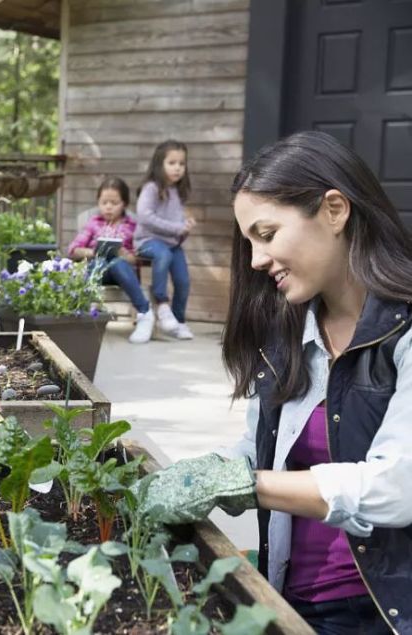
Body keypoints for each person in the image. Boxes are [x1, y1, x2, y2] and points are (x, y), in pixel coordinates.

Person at [139, 131, 412, 634]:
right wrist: (210, 471)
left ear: (334, 210)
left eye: (266, 233)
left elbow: (397, 487)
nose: (256, 260)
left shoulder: (405, 334)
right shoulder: (288, 329)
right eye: (249, 242)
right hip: (284, 598)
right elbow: (262, 448)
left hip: (379, 614)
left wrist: (245, 484)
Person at [67, 176, 153, 343]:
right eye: (104, 202)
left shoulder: (132, 226)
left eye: (114, 203)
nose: (108, 207)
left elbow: (140, 257)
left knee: (117, 263)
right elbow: (73, 250)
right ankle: (79, 314)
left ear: (124, 204)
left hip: (123, 273)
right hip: (98, 271)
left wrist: (123, 254)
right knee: (100, 262)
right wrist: (93, 252)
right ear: (98, 202)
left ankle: (145, 314)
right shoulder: (93, 223)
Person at [133, 140, 196, 340]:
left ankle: (178, 321)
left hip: (171, 245)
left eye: (181, 164)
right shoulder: (151, 188)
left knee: (183, 280)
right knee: (163, 254)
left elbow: (175, 224)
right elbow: (144, 216)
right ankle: (161, 304)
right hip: (147, 241)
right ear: (159, 165)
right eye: (172, 163)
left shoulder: (177, 191)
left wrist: (185, 227)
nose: (177, 168)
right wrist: (177, 227)